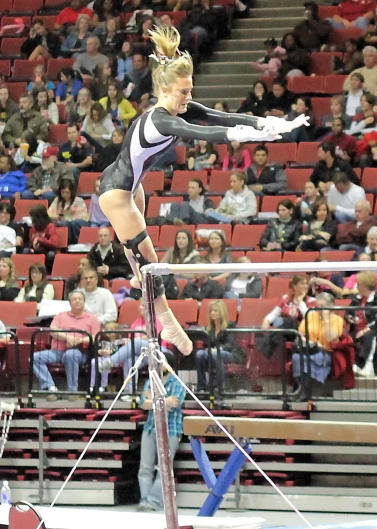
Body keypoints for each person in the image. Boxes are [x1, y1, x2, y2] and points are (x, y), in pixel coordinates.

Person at [96, 26, 308, 356]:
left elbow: (217, 115)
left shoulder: (179, 106)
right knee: (150, 260)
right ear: (164, 90)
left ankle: (140, 280)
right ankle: (167, 322)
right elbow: (197, 132)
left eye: (190, 90)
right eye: (183, 92)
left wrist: (264, 123)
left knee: (137, 253)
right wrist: (242, 136)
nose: (188, 97)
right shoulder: (161, 120)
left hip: (129, 185)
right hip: (116, 192)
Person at [33, 290, 101, 399]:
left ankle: (72, 391)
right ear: (69, 302)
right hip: (57, 351)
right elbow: (53, 331)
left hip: (80, 352)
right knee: (35, 357)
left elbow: (95, 337)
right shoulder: (60, 316)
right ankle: (50, 388)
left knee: (70, 354)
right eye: (74, 299)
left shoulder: (92, 319)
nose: (77, 301)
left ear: (84, 302)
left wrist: (78, 341)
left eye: (80, 299)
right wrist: (68, 338)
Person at [137, 360, 185, 511]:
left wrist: (153, 400)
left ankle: (154, 501)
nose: (158, 366)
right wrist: (164, 401)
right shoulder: (151, 381)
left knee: (163, 468)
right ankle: (144, 500)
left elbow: (173, 404)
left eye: (161, 363)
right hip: (151, 428)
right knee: (145, 467)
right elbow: (144, 404)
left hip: (171, 429)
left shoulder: (178, 382)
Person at [97, 300, 168, 396]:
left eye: (143, 305)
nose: (140, 308)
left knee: (137, 342)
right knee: (130, 360)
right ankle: (129, 392)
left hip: (159, 352)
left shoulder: (157, 320)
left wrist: (135, 340)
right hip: (143, 354)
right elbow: (131, 342)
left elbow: (152, 337)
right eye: (140, 305)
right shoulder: (137, 322)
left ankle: (111, 361)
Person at [293, 291, 346, 389]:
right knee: (297, 357)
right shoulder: (310, 315)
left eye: (322, 306)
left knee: (313, 358)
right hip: (309, 349)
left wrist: (326, 321)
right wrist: (308, 342)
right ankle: (303, 388)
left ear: (331, 307)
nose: (319, 309)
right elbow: (299, 335)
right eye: (318, 305)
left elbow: (330, 338)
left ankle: (307, 390)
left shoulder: (337, 320)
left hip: (326, 351)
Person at [195, 300, 242, 393]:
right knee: (199, 354)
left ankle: (220, 387)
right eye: (211, 311)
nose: (212, 313)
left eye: (215, 311)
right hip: (213, 353)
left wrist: (217, 349)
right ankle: (202, 387)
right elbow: (206, 343)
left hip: (230, 353)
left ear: (221, 312)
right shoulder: (209, 328)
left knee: (217, 354)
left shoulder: (230, 325)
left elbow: (231, 344)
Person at [26, 205, 59, 272]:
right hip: (36, 250)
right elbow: (31, 242)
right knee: (26, 251)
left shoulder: (50, 226)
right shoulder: (32, 229)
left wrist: (40, 239)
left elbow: (54, 243)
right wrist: (33, 246)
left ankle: (48, 273)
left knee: (51, 255)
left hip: (48, 250)